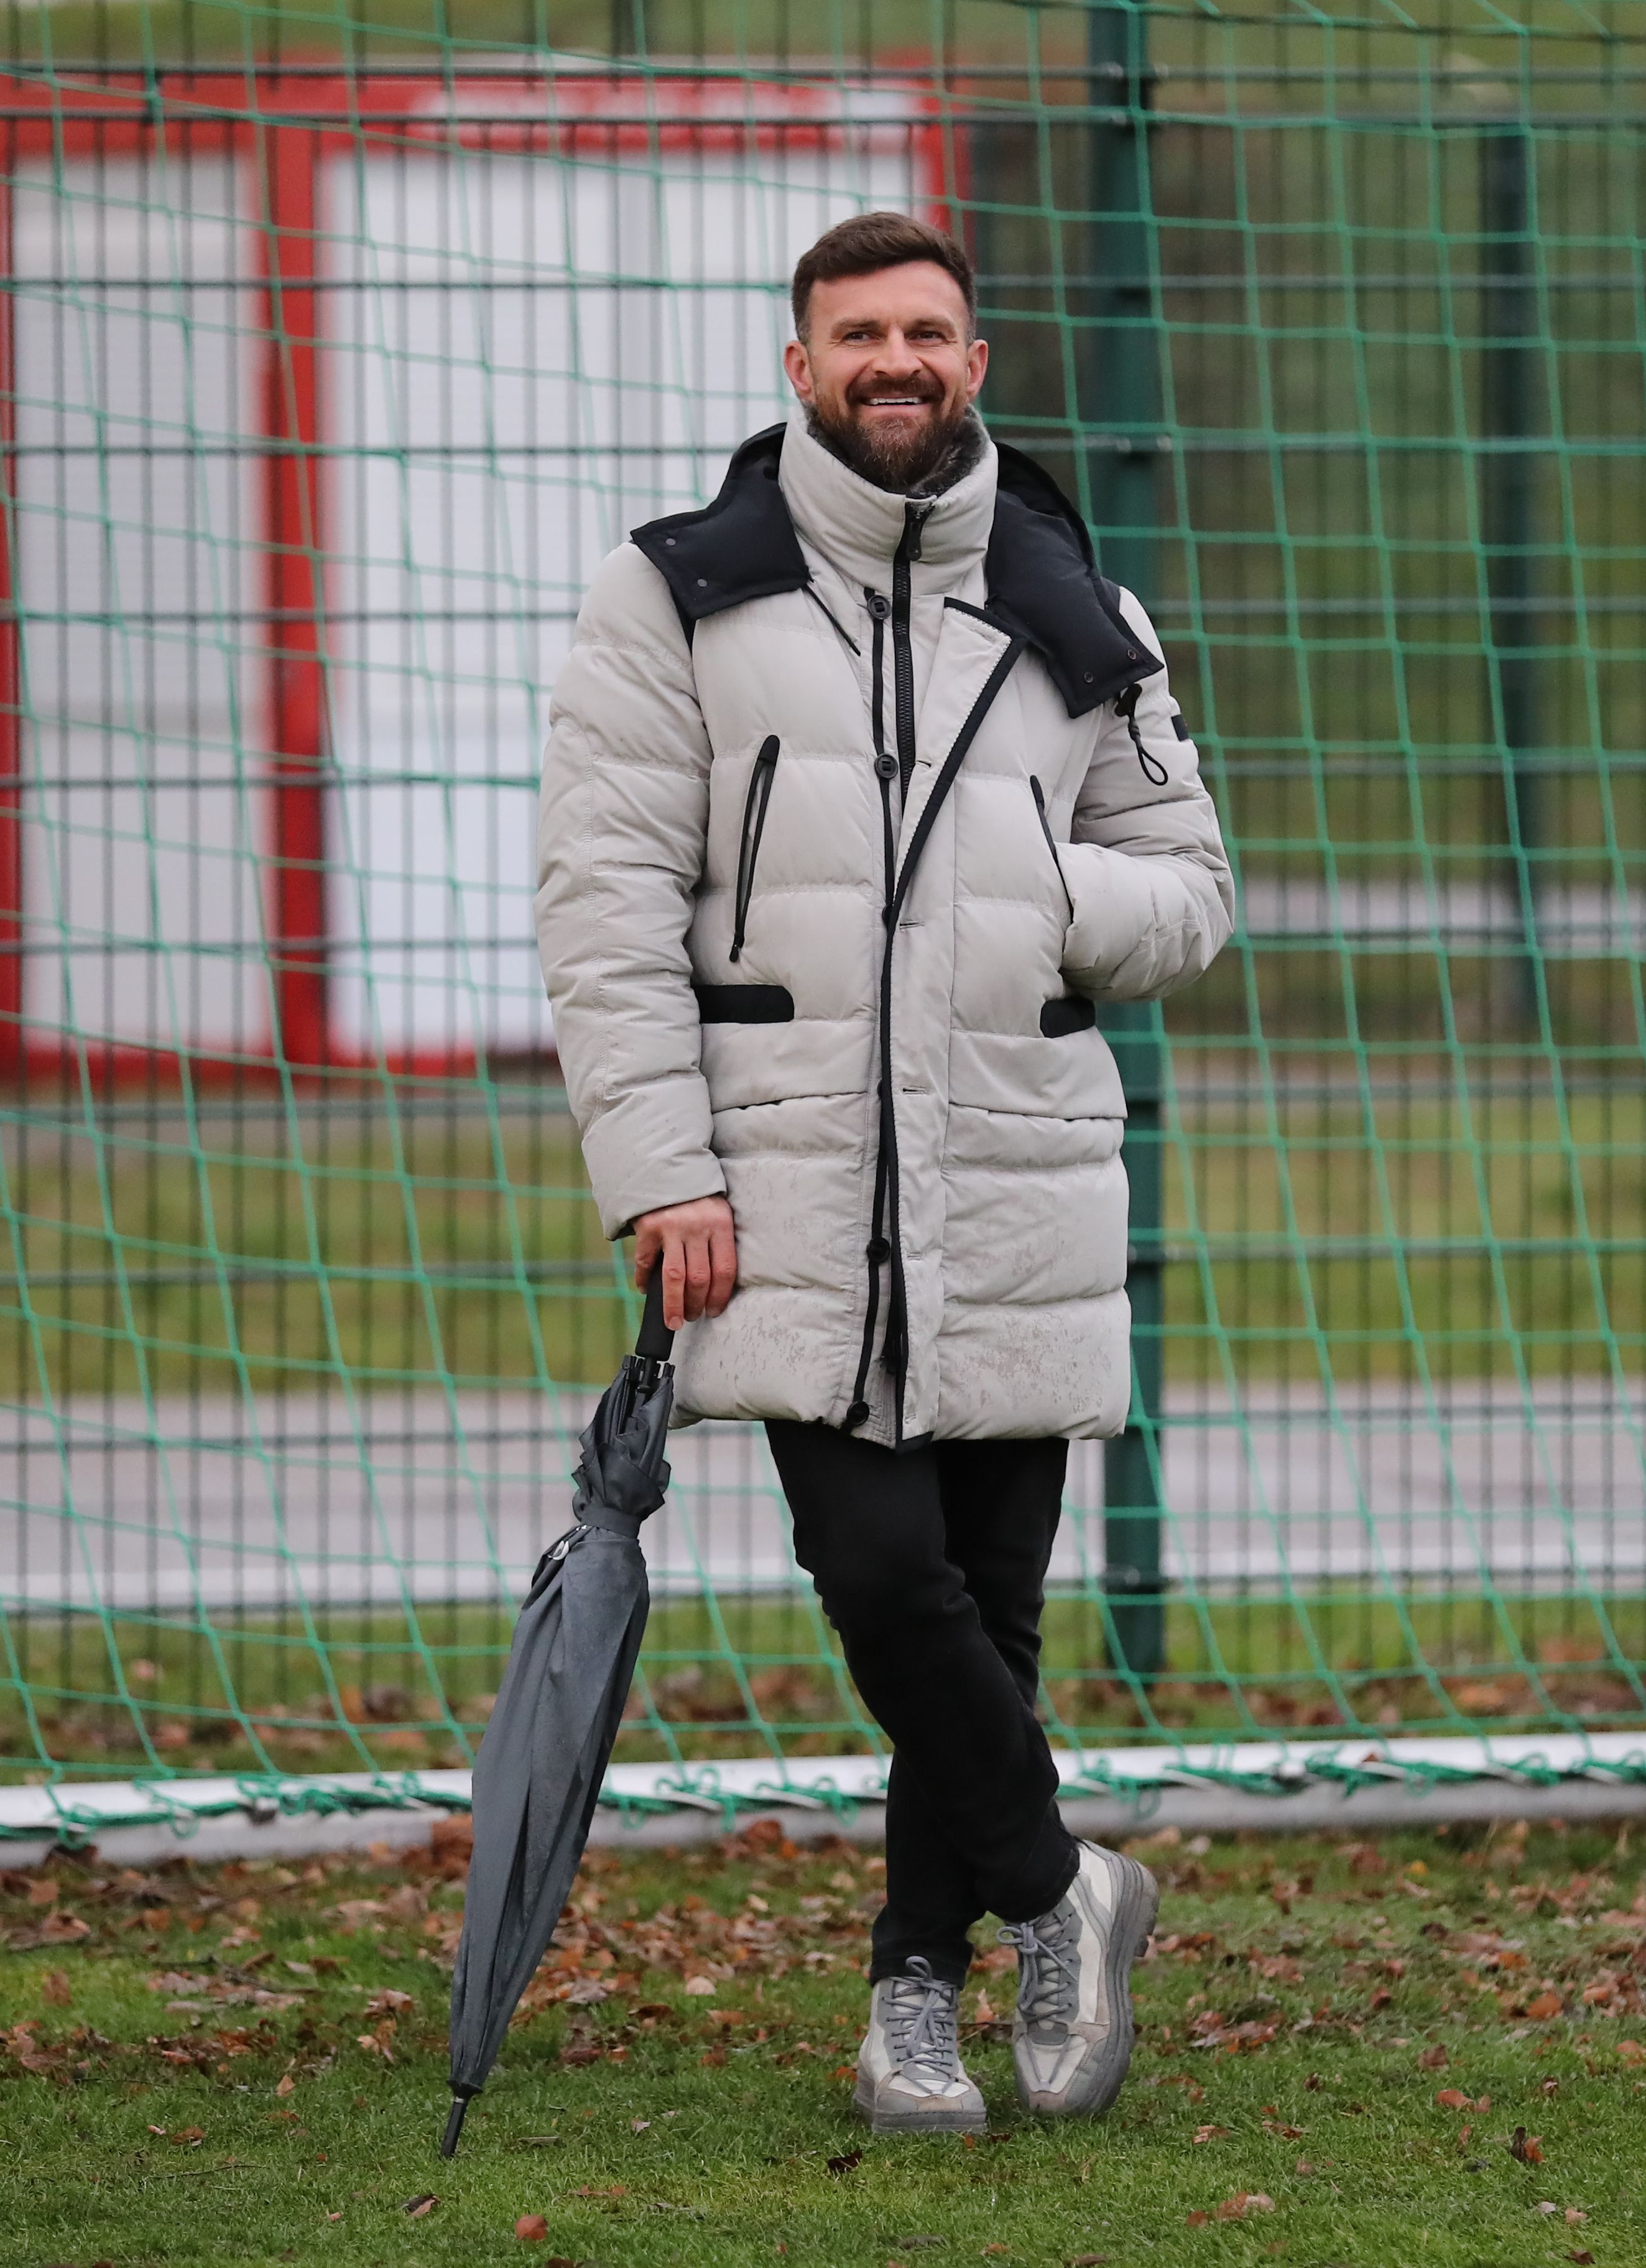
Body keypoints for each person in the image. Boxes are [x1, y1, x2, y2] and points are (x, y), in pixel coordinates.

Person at [531, 211, 1234, 2134]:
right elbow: (601, 920)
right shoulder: (674, 595)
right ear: (800, 367)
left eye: (929, 331)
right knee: (877, 1571)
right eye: (860, 335)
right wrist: (659, 1173)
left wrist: (1040, 893)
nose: (897, 362)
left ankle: (913, 1998)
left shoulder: (1077, 606)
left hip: (1017, 1163)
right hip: (778, 1187)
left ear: (975, 361)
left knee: (987, 1615)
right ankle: (1061, 1886)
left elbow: (1193, 896)